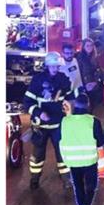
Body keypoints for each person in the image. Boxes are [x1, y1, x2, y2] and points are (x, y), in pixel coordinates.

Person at [24, 51, 73, 189]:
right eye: (53, 66)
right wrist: (39, 113)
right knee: (37, 155)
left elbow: (70, 98)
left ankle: (66, 180)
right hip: (41, 126)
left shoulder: (63, 80)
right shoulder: (37, 81)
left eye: (57, 66)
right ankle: (34, 179)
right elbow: (27, 102)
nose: (55, 69)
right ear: (47, 66)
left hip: (58, 124)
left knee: (62, 153)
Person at [59, 93, 104, 205]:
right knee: (91, 188)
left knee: (78, 187)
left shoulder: (65, 121)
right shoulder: (93, 121)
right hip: (89, 160)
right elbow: (100, 142)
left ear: (75, 105)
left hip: (72, 160)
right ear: (88, 104)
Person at [77, 38, 104, 107]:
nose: (90, 47)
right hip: (85, 86)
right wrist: (85, 85)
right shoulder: (79, 58)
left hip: (95, 84)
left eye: (91, 45)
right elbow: (80, 72)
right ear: (83, 47)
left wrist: (96, 82)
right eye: (87, 46)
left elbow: (98, 70)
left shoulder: (95, 57)